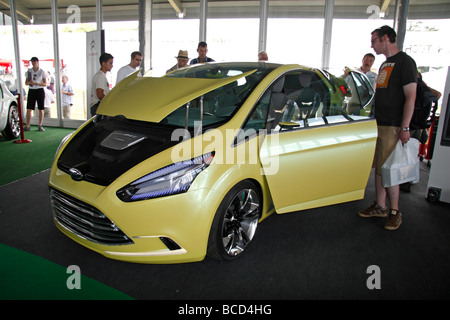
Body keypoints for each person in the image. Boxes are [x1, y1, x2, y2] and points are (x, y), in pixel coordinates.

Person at [358, 25, 418, 231]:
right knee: (380, 168)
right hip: (379, 123)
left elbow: (411, 97)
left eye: (374, 40)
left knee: (391, 169)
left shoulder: (405, 63)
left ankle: (395, 211)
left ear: (386, 38)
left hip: (393, 125)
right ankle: (380, 206)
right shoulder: (385, 64)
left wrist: (405, 126)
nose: (371, 45)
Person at [25, 57, 47, 132]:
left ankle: (40, 125)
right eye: (32, 61)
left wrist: (36, 83)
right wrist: (30, 83)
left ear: (37, 62)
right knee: (29, 109)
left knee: (40, 109)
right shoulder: (29, 71)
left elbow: (45, 84)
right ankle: (27, 125)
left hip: (40, 90)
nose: (33, 63)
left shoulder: (42, 71)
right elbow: (26, 82)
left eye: (34, 61)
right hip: (31, 91)